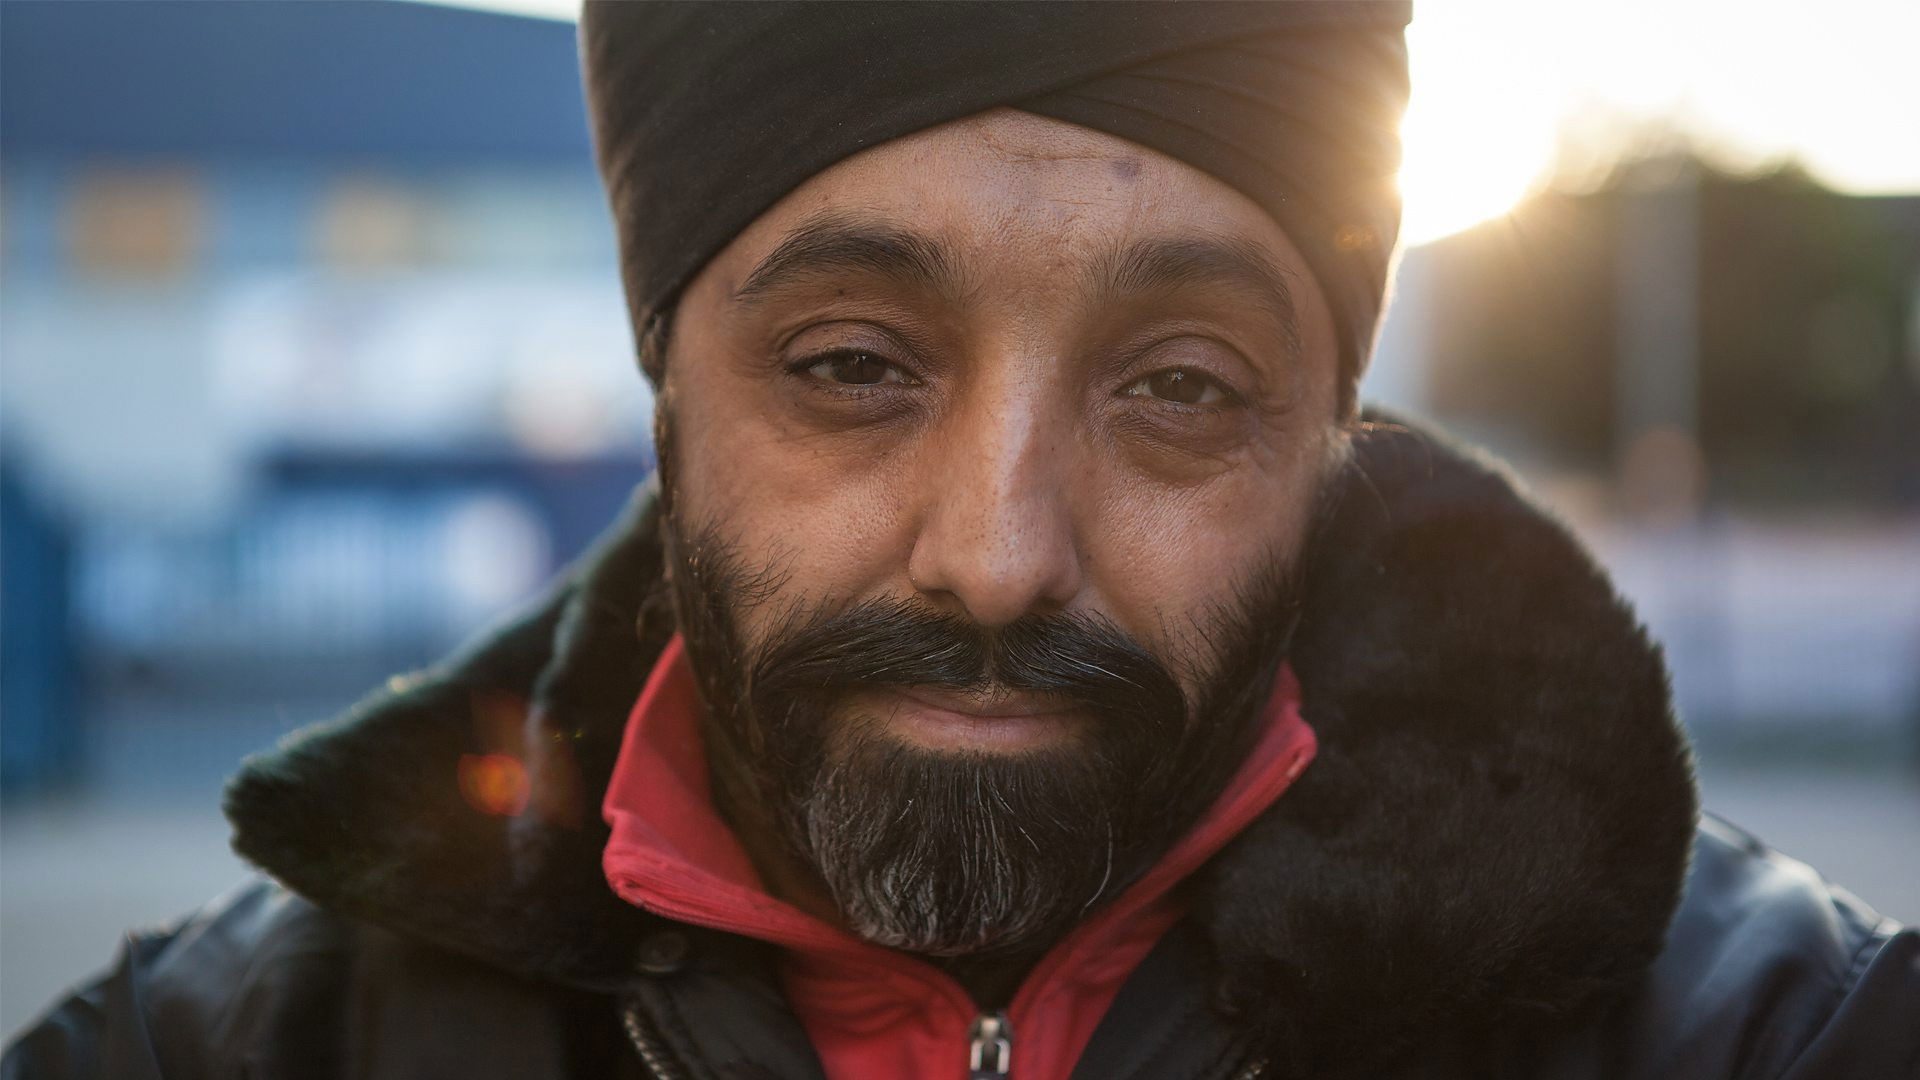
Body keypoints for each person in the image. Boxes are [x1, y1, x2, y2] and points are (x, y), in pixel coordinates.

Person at [7, 4, 1916, 1078]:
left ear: (1326, 437)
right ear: (668, 388)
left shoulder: (1777, 1042)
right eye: (853, 365)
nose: (1000, 557)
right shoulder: (234, 1050)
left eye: (1180, 386)